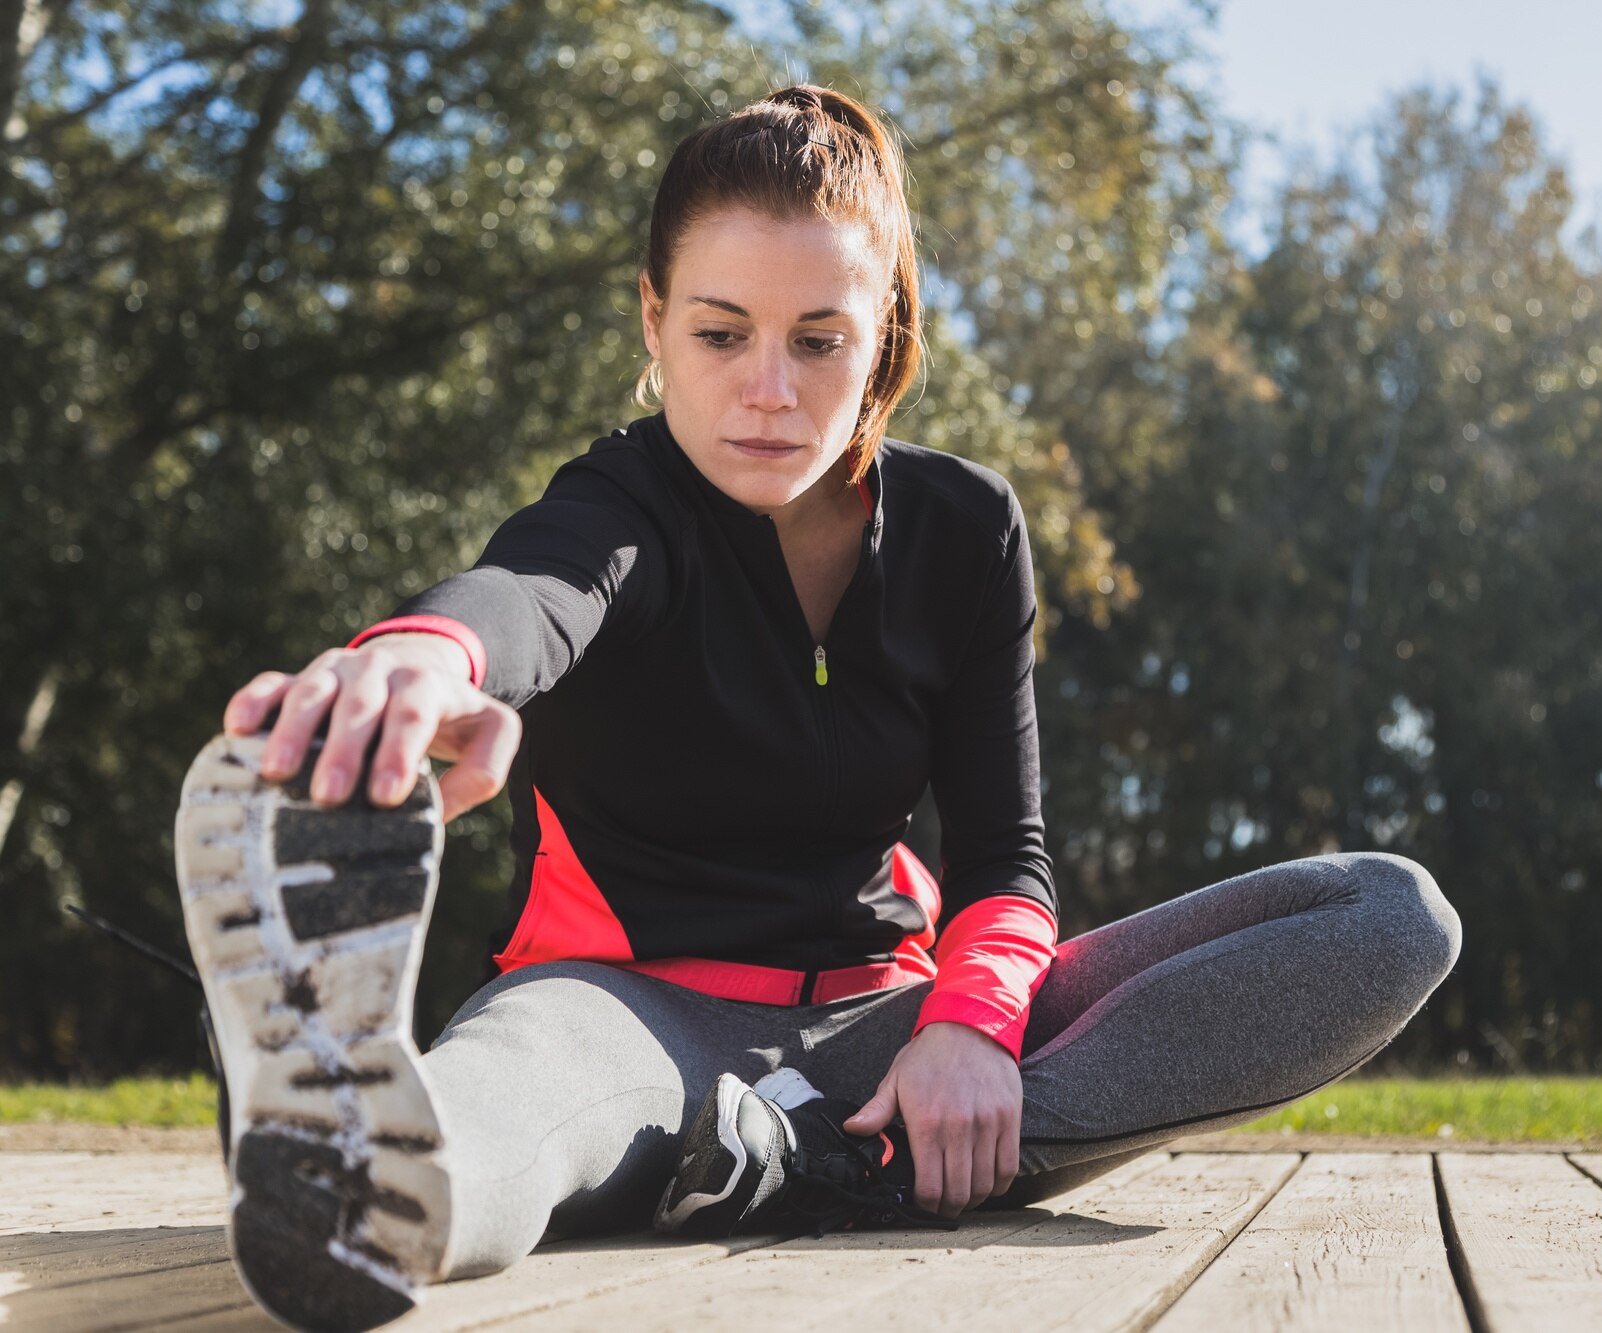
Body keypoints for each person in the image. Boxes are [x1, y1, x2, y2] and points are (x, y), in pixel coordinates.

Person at [173, 85, 1462, 1333]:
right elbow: (531, 592)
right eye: (721, 333)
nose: (768, 390)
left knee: (1383, 918)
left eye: (818, 338)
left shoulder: (967, 530)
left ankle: (821, 1157)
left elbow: (1006, 856)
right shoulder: (620, 508)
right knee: (506, 1113)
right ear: (655, 321)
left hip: (887, 1025)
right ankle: (351, 1180)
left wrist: (968, 1028)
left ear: (885, 332)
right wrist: (421, 657)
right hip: (629, 1021)